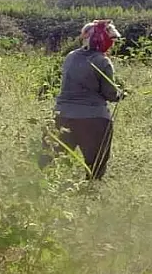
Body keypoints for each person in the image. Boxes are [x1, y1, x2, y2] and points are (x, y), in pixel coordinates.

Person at [45, 20, 123, 180]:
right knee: (95, 167)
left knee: (49, 161)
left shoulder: (70, 57)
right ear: (103, 40)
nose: (113, 44)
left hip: (62, 116)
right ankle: (90, 193)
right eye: (112, 40)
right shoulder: (103, 61)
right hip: (94, 119)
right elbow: (110, 93)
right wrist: (120, 93)